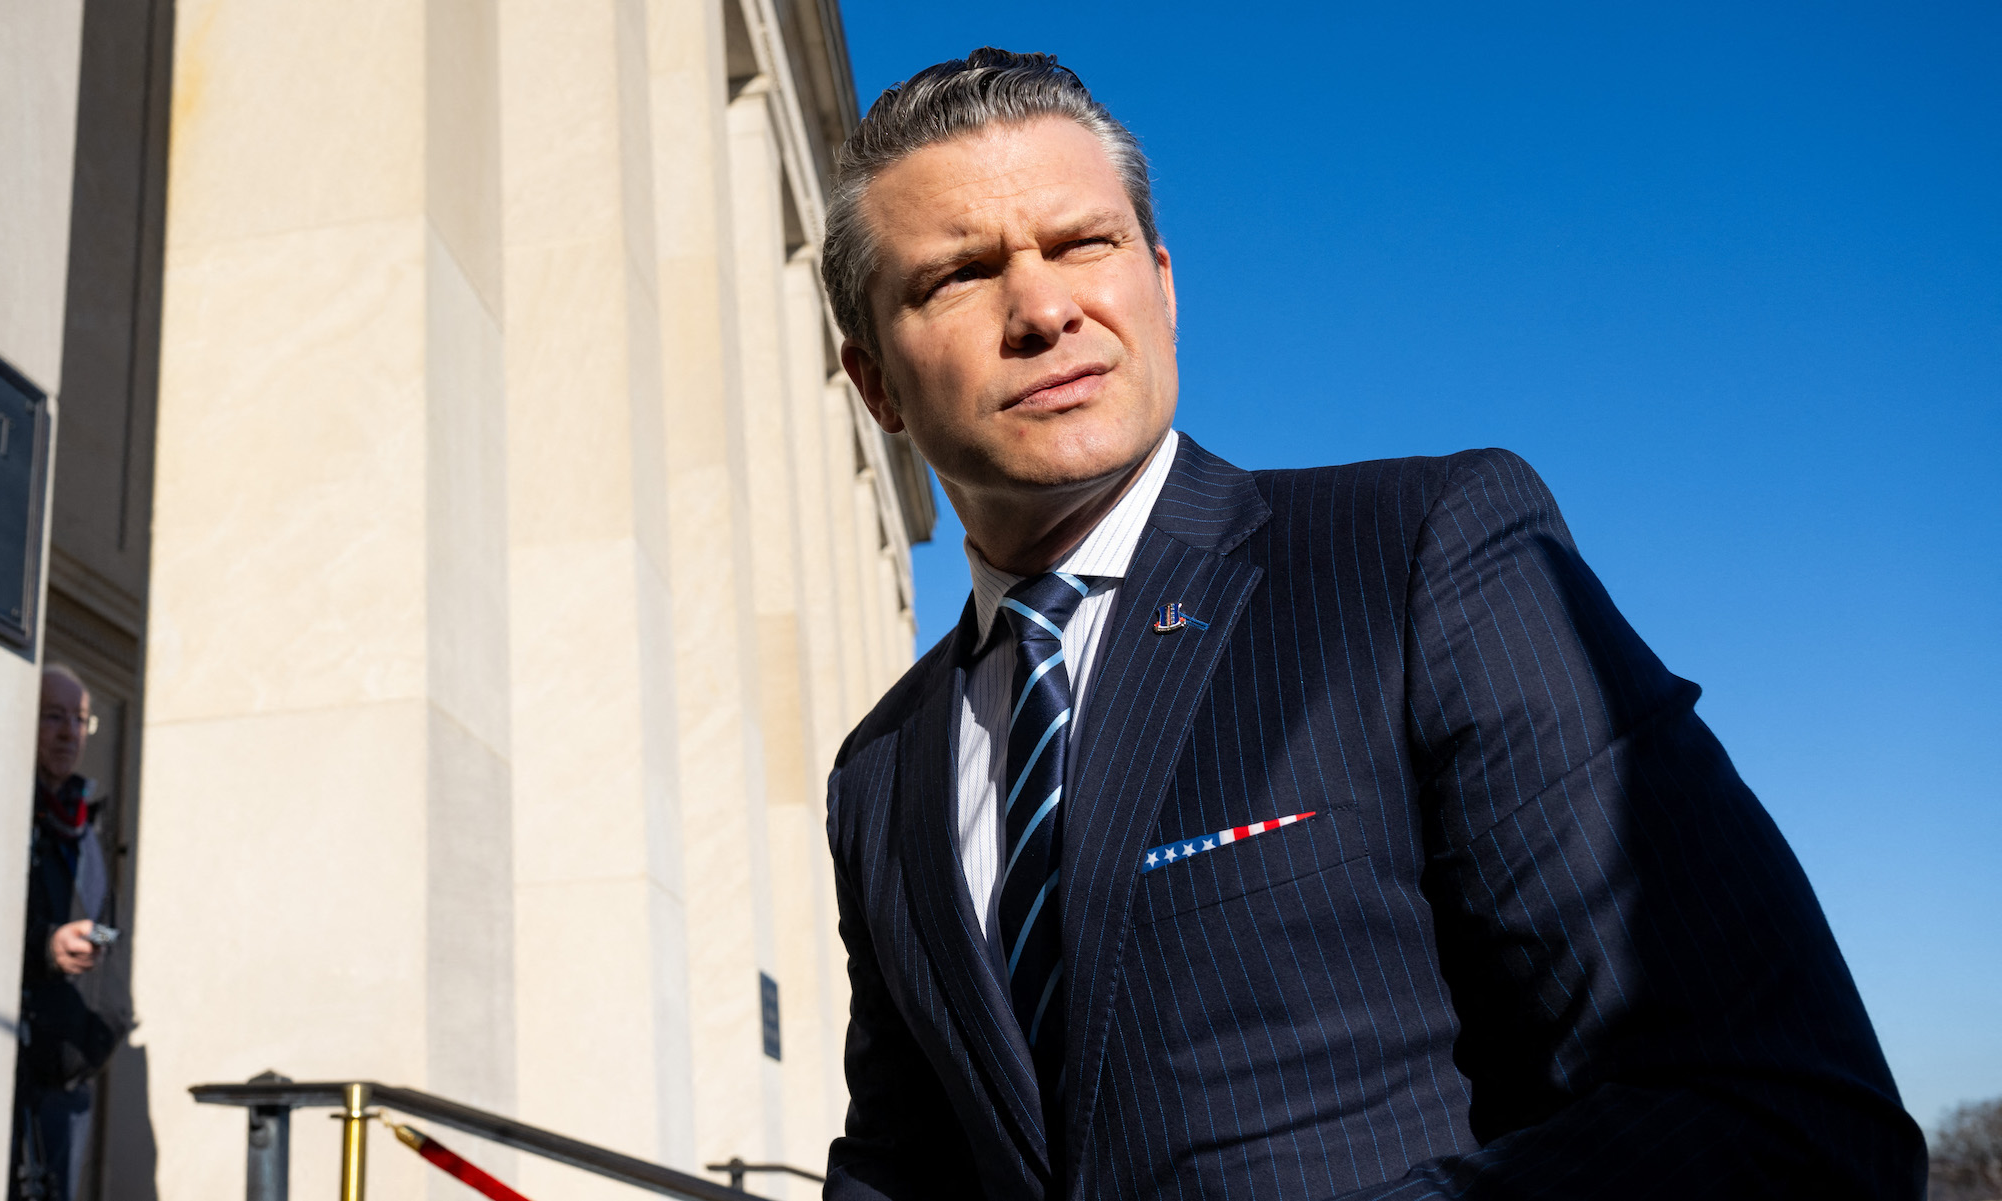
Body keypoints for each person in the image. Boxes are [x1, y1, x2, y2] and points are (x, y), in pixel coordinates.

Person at [819, 49, 1924, 1200]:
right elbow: (902, 1168)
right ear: (876, 384)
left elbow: (1780, 1112)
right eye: (958, 275)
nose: (1045, 309)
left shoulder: (1420, 553)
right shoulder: (880, 770)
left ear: (1162, 284)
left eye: (1083, 245)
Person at [10, 665, 133, 1200]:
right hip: (17, 1067)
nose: (68, 732)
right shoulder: (9, 808)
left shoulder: (88, 820)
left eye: (79, 719)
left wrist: (113, 1016)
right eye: (53, 716)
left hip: (75, 1070)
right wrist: (44, 946)